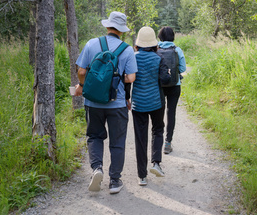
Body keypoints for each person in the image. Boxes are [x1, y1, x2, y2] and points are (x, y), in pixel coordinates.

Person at [74, 11, 137, 194]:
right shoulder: (126, 49)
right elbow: (131, 77)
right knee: (117, 142)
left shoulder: (92, 44)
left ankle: (97, 169)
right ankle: (115, 181)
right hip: (116, 104)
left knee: (94, 136)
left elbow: (82, 71)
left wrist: (82, 85)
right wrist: (114, 79)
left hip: (93, 103)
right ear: (122, 31)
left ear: (107, 26)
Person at [131, 26, 171, 186]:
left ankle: (142, 176)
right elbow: (165, 80)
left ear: (138, 43)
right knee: (158, 130)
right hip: (156, 102)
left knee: (140, 138)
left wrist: (127, 98)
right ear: (154, 43)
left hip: (138, 104)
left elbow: (129, 80)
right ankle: (156, 163)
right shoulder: (158, 57)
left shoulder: (133, 58)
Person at [157, 26, 186, 154]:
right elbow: (183, 68)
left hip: (159, 84)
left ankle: (157, 140)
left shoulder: (155, 49)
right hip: (175, 85)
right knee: (171, 112)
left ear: (160, 36)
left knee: (159, 112)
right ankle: (168, 143)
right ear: (172, 36)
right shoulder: (177, 50)